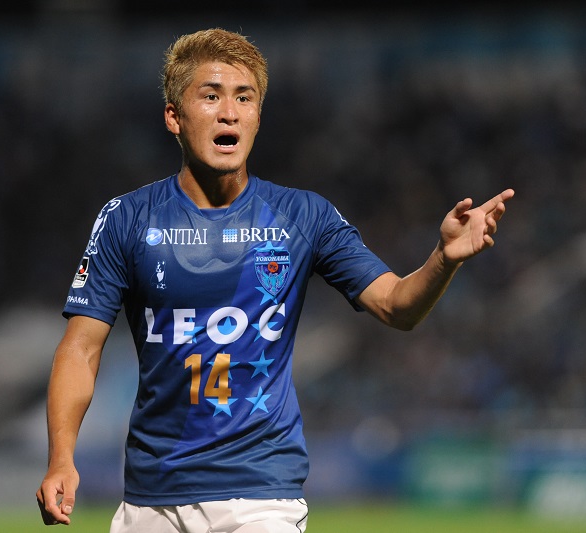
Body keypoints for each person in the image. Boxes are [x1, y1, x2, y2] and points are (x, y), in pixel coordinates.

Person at [36, 27, 514, 532]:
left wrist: (443, 257)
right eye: (211, 96)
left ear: (257, 118)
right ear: (174, 117)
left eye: (244, 98)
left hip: (261, 496)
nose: (229, 112)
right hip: (151, 498)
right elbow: (80, 349)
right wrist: (61, 457)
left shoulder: (304, 216)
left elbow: (397, 305)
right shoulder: (128, 218)